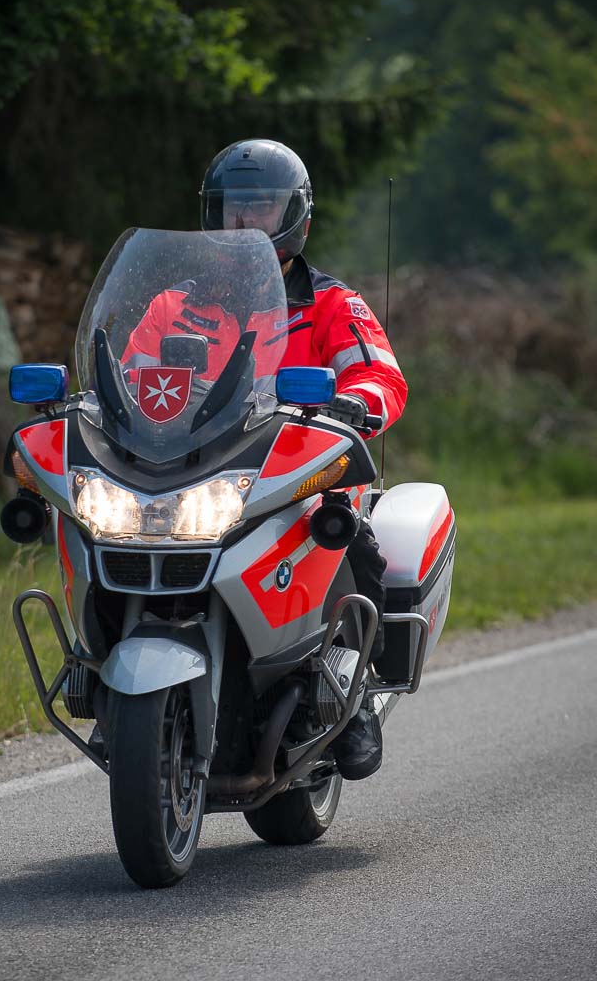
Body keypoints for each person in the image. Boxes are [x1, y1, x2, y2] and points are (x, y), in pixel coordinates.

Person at [128, 139, 407, 780]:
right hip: (192, 473)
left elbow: (381, 375)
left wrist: (356, 403)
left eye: (261, 207)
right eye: (233, 207)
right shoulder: (173, 306)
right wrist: (106, 403)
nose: (245, 221)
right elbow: (132, 373)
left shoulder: (331, 304)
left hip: (301, 473)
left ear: (295, 217)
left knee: (350, 542)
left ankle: (355, 693)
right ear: (212, 213)